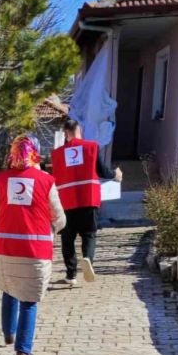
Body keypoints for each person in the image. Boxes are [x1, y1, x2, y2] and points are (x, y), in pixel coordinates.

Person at [0, 136, 66, 355]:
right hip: (35, 250)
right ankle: (23, 350)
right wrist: (52, 230)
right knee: (29, 300)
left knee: (9, 289)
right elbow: (59, 217)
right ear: (36, 153)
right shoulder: (46, 180)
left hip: (5, 247)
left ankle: (9, 333)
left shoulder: (1, 179)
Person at [51, 119, 122, 286]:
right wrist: (116, 174)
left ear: (66, 133)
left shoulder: (57, 154)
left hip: (66, 202)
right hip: (88, 199)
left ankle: (71, 275)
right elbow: (102, 171)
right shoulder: (91, 147)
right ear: (79, 130)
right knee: (89, 234)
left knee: (67, 238)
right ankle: (88, 258)